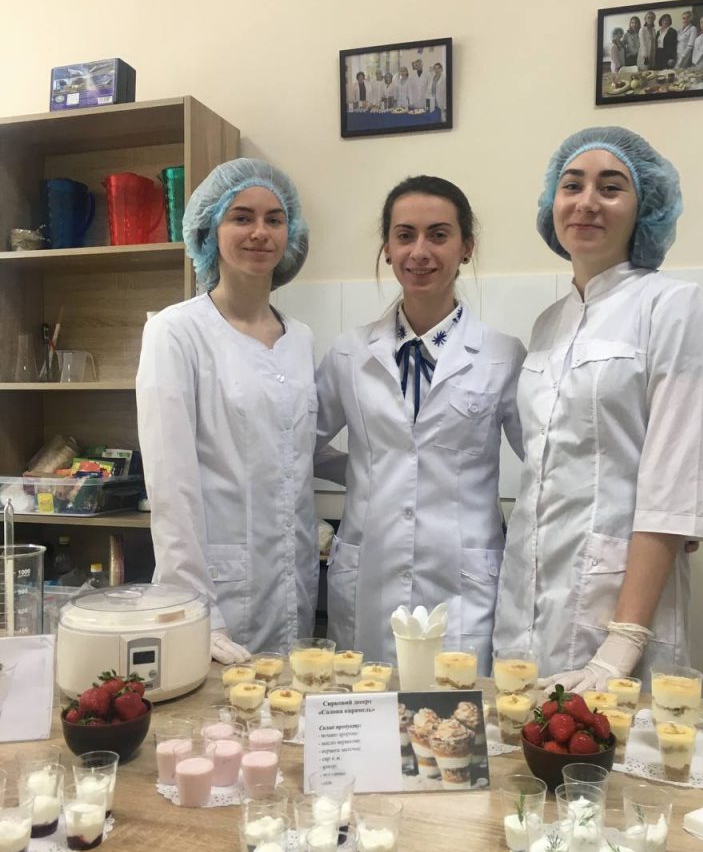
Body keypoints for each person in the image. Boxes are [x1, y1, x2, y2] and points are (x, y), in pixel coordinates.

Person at [493, 127, 703, 689]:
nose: (587, 202)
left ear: (644, 208)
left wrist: (625, 640)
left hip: (619, 606)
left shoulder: (671, 304)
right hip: (527, 600)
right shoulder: (549, 323)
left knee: (609, 744)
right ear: (552, 203)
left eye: (611, 187)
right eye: (572, 185)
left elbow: (675, 486)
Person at [315, 176, 525, 673]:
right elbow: (298, 448)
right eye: (405, 235)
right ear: (387, 249)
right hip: (370, 577)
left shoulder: (502, 355)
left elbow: (547, 461)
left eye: (439, 234)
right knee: (369, 702)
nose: (420, 252)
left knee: (456, 710)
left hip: (463, 583)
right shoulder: (349, 353)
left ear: (466, 247)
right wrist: (369, 470)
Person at [136, 159, 318, 664]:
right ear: (210, 230)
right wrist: (194, 608)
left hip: (291, 579)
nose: (260, 232)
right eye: (242, 217)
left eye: (274, 219)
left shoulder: (300, 338)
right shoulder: (176, 332)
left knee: (288, 707)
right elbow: (170, 484)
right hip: (215, 590)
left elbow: (299, 449)